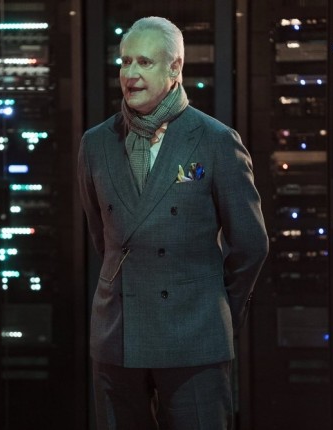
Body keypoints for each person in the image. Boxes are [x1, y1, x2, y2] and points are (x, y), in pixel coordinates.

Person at [77, 16, 269, 430]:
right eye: (125, 62)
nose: (130, 74)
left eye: (144, 62)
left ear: (175, 67)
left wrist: (215, 311)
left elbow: (251, 245)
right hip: (117, 335)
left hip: (193, 337)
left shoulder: (216, 140)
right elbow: (104, 237)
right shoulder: (95, 143)